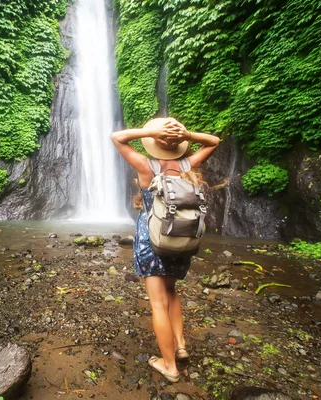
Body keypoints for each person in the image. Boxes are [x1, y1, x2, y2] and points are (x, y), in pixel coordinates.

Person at [111, 117, 220, 382]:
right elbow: (214, 142)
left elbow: (117, 138)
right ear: (179, 145)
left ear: (154, 143)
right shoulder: (187, 165)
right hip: (182, 240)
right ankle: (180, 346)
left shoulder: (147, 166)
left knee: (158, 303)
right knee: (171, 291)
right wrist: (187, 134)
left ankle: (169, 366)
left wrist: (151, 131)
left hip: (153, 241)